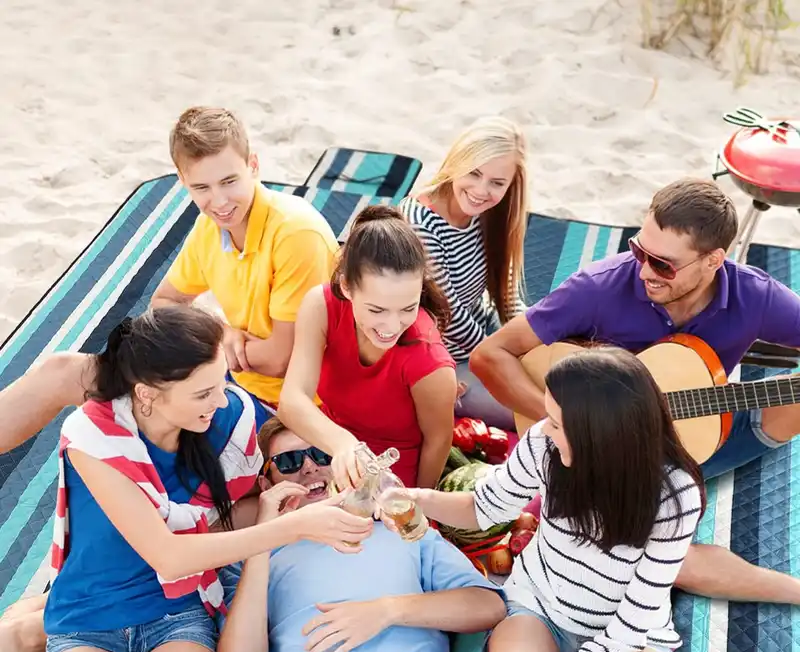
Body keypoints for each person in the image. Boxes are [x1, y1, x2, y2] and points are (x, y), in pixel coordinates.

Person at [11, 307, 373, 652]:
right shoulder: (94, 438)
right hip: (88, 622)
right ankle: (24, 628)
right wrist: (289, 528)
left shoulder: (222, 417)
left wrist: (341, 471)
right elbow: (169, 556)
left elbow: (281, 441)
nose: (221, 400)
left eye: (222, 383)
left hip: (178, 621)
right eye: (204, 393)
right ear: (147, 395)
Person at [469, 176, 800, 605]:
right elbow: (490, 355)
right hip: (604, 455)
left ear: (713, 260)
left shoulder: (754, 295)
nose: (644, 270)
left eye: (663, 264)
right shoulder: (598, 288)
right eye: (639, 250)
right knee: (665, 560)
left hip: (694, 437)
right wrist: (568, 423)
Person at [411, 347, 704, 652]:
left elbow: (633, 625)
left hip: (631, 639)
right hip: (540, 612)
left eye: (557, 422)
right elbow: (483, 506)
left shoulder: (675, 493)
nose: (544, 429)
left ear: (600, 435)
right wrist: (419, 499)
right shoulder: (544, 446)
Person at [0, 105, 339, 452]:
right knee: (60, 371)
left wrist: (215, 352)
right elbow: (165, 302)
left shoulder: (296, 233)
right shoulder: (211, 227)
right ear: (182, 181)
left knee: (134, 419)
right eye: (202, 187)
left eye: (229, 181)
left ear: (253, 165)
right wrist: (222, 333)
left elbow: (279, 361)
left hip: (283, 409)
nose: (219, 201)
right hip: (223, 378)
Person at [215, 414, 506, 652]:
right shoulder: (258, 558)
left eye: (320, 454)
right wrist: (261, 540)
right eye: (288, 462)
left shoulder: (401, 531)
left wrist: (386, 610)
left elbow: (487, 604)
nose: (307, 466)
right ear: (268, 484)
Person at [278, 205, 458, 491]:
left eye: (407, 308)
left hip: (389, 479)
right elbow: (291, 401)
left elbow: (438, 442)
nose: (392, 324)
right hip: (326, 448)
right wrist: (344, 445)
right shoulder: (321, 306)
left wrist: (420, 505)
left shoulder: (430, 363)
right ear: (347, 287)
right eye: (377, 309)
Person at [400, 116, 528, 430]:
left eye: (497, 183)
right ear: (458, 163)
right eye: (474, 173)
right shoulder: (420, 221)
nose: (481, 190)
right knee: (529, 411)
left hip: (484, 334)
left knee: (556, 369)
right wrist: (502, 358)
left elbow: (505, 294)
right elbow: (450, 315)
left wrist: (530, 331)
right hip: (441, 357)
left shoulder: (492, 213)